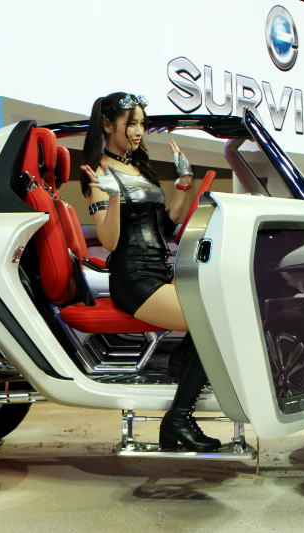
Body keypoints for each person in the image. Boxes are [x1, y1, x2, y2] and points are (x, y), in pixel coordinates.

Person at [80, 92, 220, 452]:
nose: (139, 131)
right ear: (107, 125)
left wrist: (184, 184)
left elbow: (166, 226)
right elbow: (109, 241)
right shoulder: (98, 173)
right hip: (133, 278)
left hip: (158, 271)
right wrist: (113, 197)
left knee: (218, 312)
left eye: (142, 124)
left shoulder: (138, 168)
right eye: (132, 124)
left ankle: (181, 381)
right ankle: (177, 420)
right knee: (212, 321)